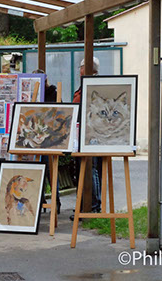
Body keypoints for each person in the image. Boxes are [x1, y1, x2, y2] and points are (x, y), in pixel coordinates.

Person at [71, 57, 102, 220]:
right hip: (80, 134)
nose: (79, 71)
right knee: (84, 169)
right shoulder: (83, 87)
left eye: (81, 67)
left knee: (92, 169)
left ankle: (94, 206)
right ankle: (83, 205)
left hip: (91, 134)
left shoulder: (94, 87)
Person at [32, 69, 61, 213]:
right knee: (41, 168)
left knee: (50, 169)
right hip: (35, 137)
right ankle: (41, 199)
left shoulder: (53, 93)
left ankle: (55, 202)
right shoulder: (33, 94)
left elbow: (60, 113)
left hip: (49, 138)